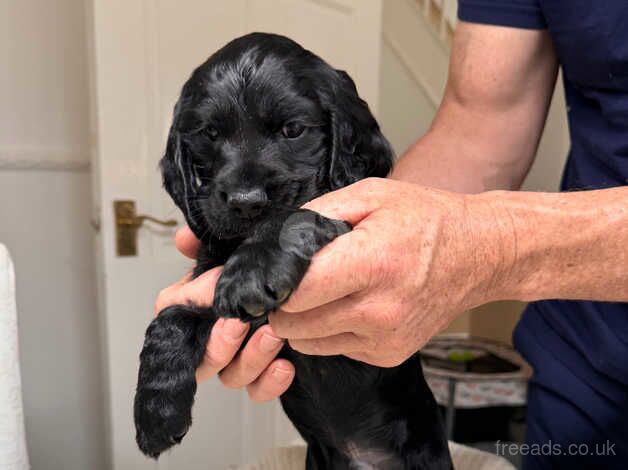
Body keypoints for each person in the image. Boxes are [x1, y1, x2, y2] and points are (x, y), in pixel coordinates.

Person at [155, 1, 628, 467]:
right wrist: (382, 235)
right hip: (582, 353)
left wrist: (489, 245)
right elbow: (479, 130)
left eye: (292, 130)